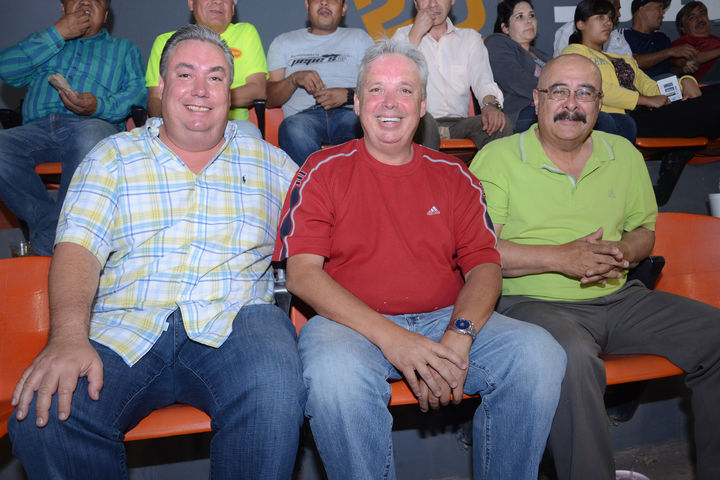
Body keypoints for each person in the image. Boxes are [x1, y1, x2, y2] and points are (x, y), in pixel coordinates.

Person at [8, 25, 305, 479]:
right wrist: (66, 336)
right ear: (161, 87)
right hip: (125, 328)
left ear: (230, 91)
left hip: (236, 325)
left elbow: (328, 234)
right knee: (45, 415)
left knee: (275, 383)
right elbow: (78, 249)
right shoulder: (111, 157)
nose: (201, 89)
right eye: (186, 75)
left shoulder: (272, 162)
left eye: (215, 77)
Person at [274, 38, 566, 479]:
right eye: (376, 90)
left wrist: (459, 335)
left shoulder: (455, 176)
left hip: (445, 319)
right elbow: (302, 275)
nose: (390, 103)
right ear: (357, 103)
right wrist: (395, 339)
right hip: (349, 327)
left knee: (539, 354)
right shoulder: (320, 169)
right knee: (334, 378)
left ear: (423, 104)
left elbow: (485, 267)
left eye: (405, 90)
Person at [469, 53, 720, 480]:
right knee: (569, 357)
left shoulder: (622, 153)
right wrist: (561, 258)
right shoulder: (498, 158)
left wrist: (622, 252)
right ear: (537, 100)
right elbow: (482, 253)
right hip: (529, 303)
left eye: (584, 93)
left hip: (620, 298)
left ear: (599, 104)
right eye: (559, 91)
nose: (571, 104)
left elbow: (644, 232)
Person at [0, 0, 146, 257]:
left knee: (91, 136)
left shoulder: (124, 49)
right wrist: (56, 34)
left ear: (106, 15)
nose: (87, 2)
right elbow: (7, 69)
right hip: (36, 130)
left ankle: (59, 241)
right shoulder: (44, 42)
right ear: (63, 7)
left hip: (94, 125)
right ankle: (58, 232)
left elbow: (137, 94)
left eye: (97, 0)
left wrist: (99, 105)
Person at [562, 0, 720, 140]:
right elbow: (594, 89)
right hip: (625, 119)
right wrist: (643, 100)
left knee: (714, 93)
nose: (608, 23)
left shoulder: (623, 59)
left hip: (649, 112)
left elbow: (651, 87)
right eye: (600, 17)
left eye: (609, 18)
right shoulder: (574, 53)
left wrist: (684, 82)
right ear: (581, 24)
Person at [487, 0, 635, 142]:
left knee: (625, 122)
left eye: (531, 15)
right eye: (520, 17)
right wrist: (559, 93)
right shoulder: (497, 43)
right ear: (505, 28)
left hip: (558, 105)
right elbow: (517, 81)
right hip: (524, 111)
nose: (529, 21)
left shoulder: (541, 55)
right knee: (604, 121)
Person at [392, 0, 513, 150]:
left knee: (501, 125)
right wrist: (416, 33)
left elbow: (484, 82)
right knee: (426, 123)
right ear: (416, 2)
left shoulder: (469, 38)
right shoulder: (402, 37)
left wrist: (490, 106)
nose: (433, 4)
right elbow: (393, 79)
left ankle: (485, 168)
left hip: (459, 125)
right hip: (421, 123)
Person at [266, 0, 373, 166]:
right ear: (307, 6)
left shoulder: (359, 38)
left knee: (369, 125)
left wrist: (348, 95)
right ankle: (320, 180)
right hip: (303, 119)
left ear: (343, 9)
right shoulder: (283, 42)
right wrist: (293, 79)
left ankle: (338, 179)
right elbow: (269, 99)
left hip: (351, 115)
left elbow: (378, 88)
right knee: (292, 128)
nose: (324, 2)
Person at [145, 0, 266, 131]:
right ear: (191, 3)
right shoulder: (166, 42)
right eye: (185, 75)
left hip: (233, 126)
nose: (218, 1)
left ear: (232, 8)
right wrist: (175, 123)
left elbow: (258, 90)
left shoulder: (245, 33)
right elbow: (155, 99)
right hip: (174, 123)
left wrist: (207, 100)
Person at [624, 0, 698, 79]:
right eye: (659, 7)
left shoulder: (662, 38)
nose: (662, 13)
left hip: (668, 84)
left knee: (688, 80)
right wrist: (670, 52)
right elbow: (633, 63)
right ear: (642, 10)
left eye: (662, 9)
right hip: (641, 85)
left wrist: (683, 70)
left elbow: (667, 71)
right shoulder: (623, 36)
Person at [554, 0, 631, 57]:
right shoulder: (567, 32)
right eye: (601, 17)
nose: (619, 14)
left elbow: (630, 63)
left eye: (610, 17)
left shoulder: (616, 36)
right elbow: (560, 66)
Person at [671, 1, 720, 83]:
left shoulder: (716, 39)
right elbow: (690, 61)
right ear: (683, 28)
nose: (700, 19)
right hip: (706, 82)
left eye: (702, 14)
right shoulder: (681, 44)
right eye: (692, 18)